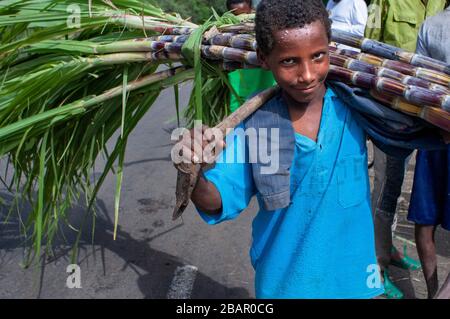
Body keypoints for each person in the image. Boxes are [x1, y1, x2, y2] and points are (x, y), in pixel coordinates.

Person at [175, 0, 445, 298]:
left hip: (355, 280)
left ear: (330, 48)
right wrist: (194, 171)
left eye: (318, 56)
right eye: (289, 61)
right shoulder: (257, 124)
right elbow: (217, 200)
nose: (307, 74)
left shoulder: (354, 105)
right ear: (264, 59)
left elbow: (410, 129)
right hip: (286, 284)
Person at [364, 0, 446, 299]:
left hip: (435, 122)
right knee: (386, 185)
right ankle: (377, 263)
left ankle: (390, 248)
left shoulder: (441, 3)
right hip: (393, 115)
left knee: (404, 194)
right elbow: (367, 47)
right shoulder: (387, 1)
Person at [408, 4, 450, 299]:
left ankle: (433, 291)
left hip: (431, 131)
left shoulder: (431, 24)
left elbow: (418, 77)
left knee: (425, 220)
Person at [226, 0, 277, 113]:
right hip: (240, 97)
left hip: (269, 93)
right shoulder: (225, 38)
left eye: (245, 15)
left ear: (252, 11)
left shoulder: (264, 32)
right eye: (235, 16)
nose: (241, 20)